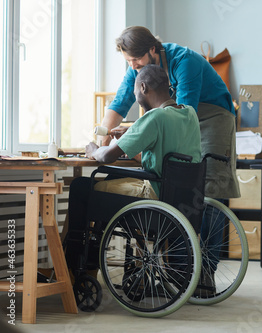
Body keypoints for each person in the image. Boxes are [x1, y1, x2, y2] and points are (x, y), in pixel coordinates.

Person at [64, 64, 201, 283]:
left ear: (144, 87)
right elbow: (166, 136)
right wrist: (133, 131)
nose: (136, 96)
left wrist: (92, 149)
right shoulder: (189, 113)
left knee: (82, 186)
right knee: (111, 179)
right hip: (181, 198)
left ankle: (74, 266)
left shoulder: (154, 117)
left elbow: (107, 156)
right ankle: (82, 265)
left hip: (155, 195)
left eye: (135, 91)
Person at [101, 25, 240, 201]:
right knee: (180, 178)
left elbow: (183, 118)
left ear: (152, 49)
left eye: (136, 59)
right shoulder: (136, 68)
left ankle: (209, 228)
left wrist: (136, 136)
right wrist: (103, 139)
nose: (133, 66)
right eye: (128, 61)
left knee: (210, 184)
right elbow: (119, 103)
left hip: (214, 116)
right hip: (182, 116)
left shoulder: (185, 61)